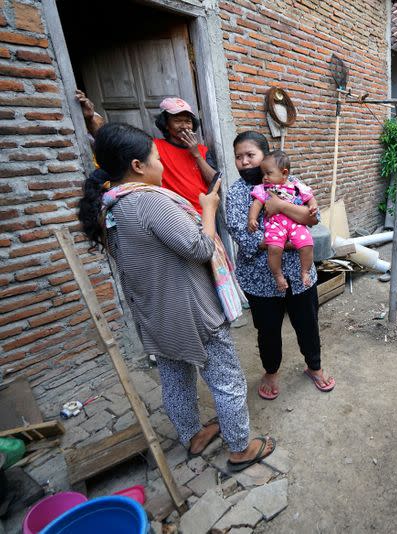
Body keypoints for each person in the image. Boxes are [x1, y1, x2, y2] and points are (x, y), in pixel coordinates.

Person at [77, 123, 274, 471]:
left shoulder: (110, 206)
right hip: (192, 311)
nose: (161, 164)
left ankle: (192, 435)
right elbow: (199, 248)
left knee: (175, 379)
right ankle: (240, 448)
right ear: (137, 166)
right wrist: (209, 207)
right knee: (227, 380)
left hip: (155, 313)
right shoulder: (149, 202)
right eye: (156, 158)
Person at [226, 131, 334, 400]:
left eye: (250, 155)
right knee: (268, 330)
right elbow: (245, 237)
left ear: (265, 155)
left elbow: (313, 218)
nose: (245, 162)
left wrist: (279, 206)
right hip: (259, 278)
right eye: (239, 157)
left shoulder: (292, 182)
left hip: (300, 274)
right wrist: (289, 237)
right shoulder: (236, 194)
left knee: (308, 323)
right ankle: (271, 372)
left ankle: (314, 367)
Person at [248, 150, 318, 290]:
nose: (265, 178)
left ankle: (305, 272)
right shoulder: (263, 189)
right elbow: (257, 203)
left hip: (296, 224)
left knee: (307, 244)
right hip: (275, 225)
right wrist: (252, 218)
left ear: (284, 173)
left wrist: (313, 207)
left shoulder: (297, 186)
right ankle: (278, 275)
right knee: (273, 248)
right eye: (263, 174)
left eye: (269, 173)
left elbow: (309, 198)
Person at [154, 97, 217, 213]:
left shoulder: (202, 150)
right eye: (177, 121)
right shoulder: (155, 147)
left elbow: (215, 182)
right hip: (174, 214)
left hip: (202, 213)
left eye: (188, 122)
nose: (184, 126)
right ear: (166, 124)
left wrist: (197, 155)